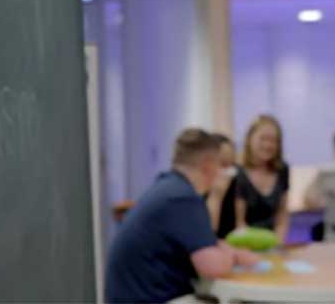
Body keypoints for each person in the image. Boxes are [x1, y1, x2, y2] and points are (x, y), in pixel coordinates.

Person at [105, 128, 260, 303]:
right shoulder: (184, 198)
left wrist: (224, 250)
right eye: (220, 165)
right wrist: (235, 257)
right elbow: (211, 267)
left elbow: (202, 244)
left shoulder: (168, 188)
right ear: (208, 165)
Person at [235, 115, 290, 242]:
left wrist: (277, 243)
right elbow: (240, 224)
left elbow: (282, 214)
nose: (268, 145)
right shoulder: (238, 172)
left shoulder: (282, 169)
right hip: (244, 244)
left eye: (273, 140)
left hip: (272, 244)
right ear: (250, 139)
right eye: (263, 139)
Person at [206, 134, 239, 238]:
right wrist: (216, 195)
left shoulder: (237, 182)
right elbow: (208, 234)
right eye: (223, 164)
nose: (229, 170)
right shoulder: (197, 192)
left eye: (231, 163)